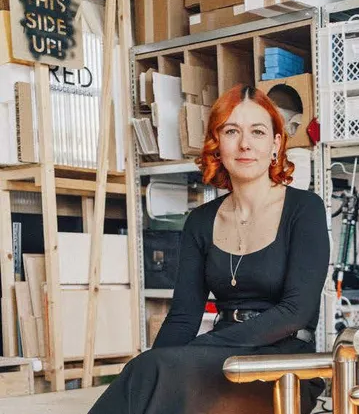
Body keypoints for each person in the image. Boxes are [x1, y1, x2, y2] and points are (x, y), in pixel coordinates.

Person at [90, 85, 329, 414]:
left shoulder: (304, 209)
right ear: (218, 143)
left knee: (165, 376)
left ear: (275, 144)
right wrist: (158, 362)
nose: (245, 144)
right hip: (217, 356)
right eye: (231, 131)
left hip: (283, 363)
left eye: (257, 132)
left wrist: (197, 350)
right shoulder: (200, 221)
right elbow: (183, 317)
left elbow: (295, 312)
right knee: (151, 371)